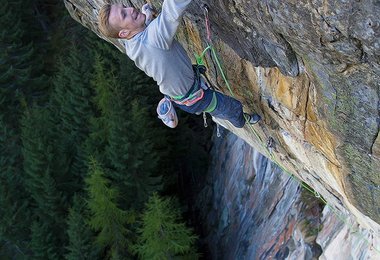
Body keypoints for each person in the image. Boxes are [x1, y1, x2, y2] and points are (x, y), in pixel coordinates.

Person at [98, 0, 261, 128]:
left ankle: (168, 106)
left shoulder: (130, 45)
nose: (130, 10)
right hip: (195, 98)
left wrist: (145, 17)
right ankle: (244, 121)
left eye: (124, 7)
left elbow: (143, 35)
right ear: (124, 33)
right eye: (124, 15)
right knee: (233, 108)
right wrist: (146, 19)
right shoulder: (154, 38)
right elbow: (171, 10)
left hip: (176, 91)